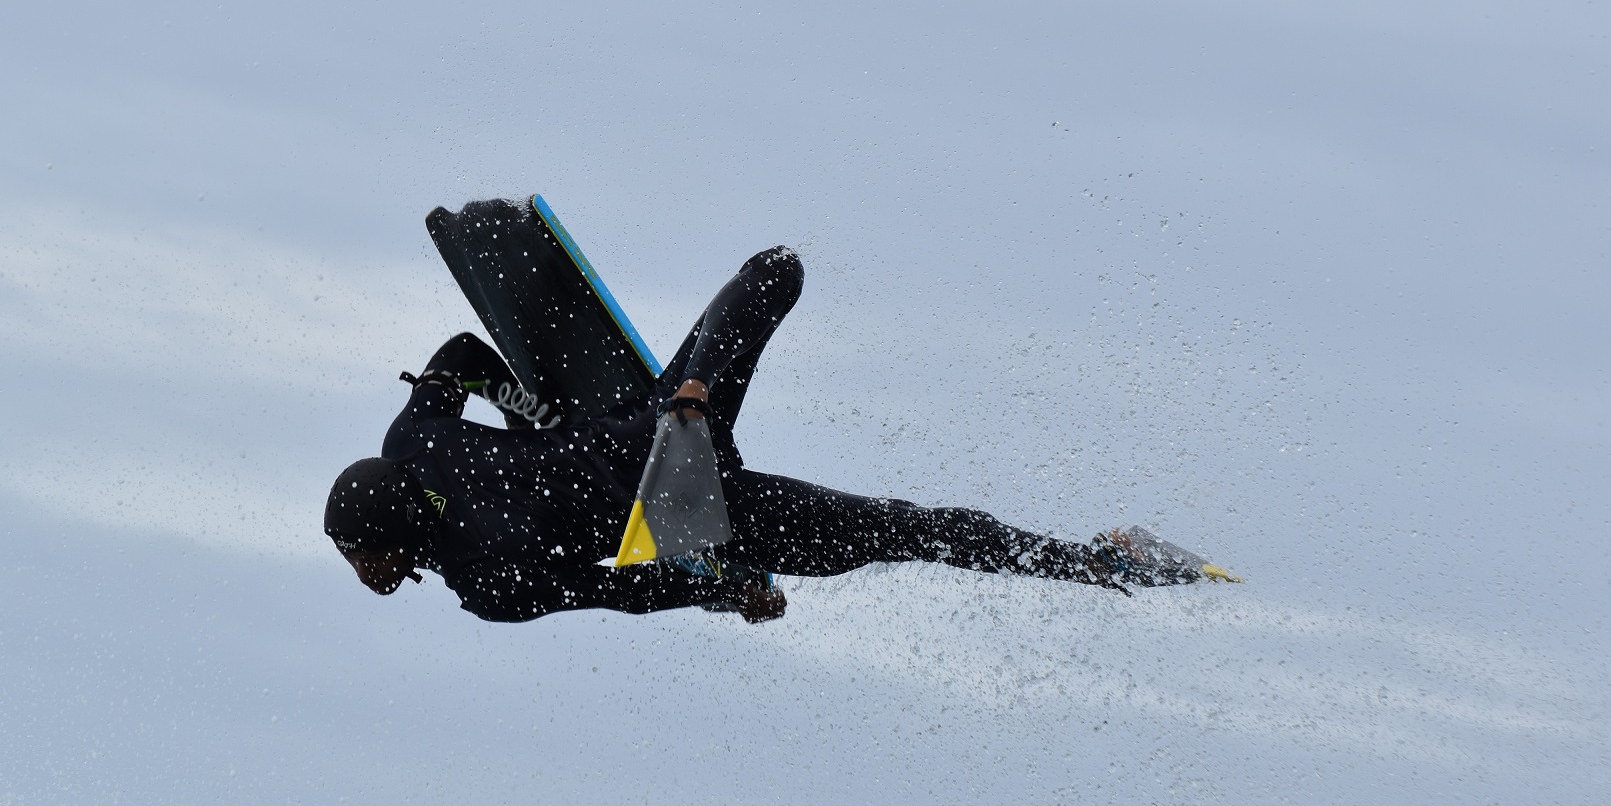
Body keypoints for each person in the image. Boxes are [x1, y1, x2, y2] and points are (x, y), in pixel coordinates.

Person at [324, 247, 1236, 623]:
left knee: (776, 269)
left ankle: (1098, 555)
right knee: (899, 532)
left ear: (401, 515)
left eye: (363, 554)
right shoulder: (488, 588)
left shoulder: (416, 438)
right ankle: (1103, 561)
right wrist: (724, 592)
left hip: (654, 432)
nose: (364, 574)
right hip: (691, 526)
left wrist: (535, 411)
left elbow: (461, 351)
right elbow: (621, 595)